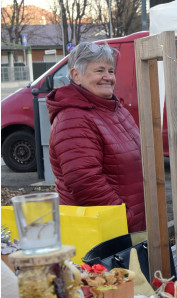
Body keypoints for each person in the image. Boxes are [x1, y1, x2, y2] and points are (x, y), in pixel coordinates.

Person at [47, 42, 146, 232]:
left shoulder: (115, 109)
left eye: (111, 70)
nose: (108, 77)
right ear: (76, 75)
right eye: (99, 70)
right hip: (104, 231)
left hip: (129, 227)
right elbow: (85, 181)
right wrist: (125, 218)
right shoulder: (73, 118)